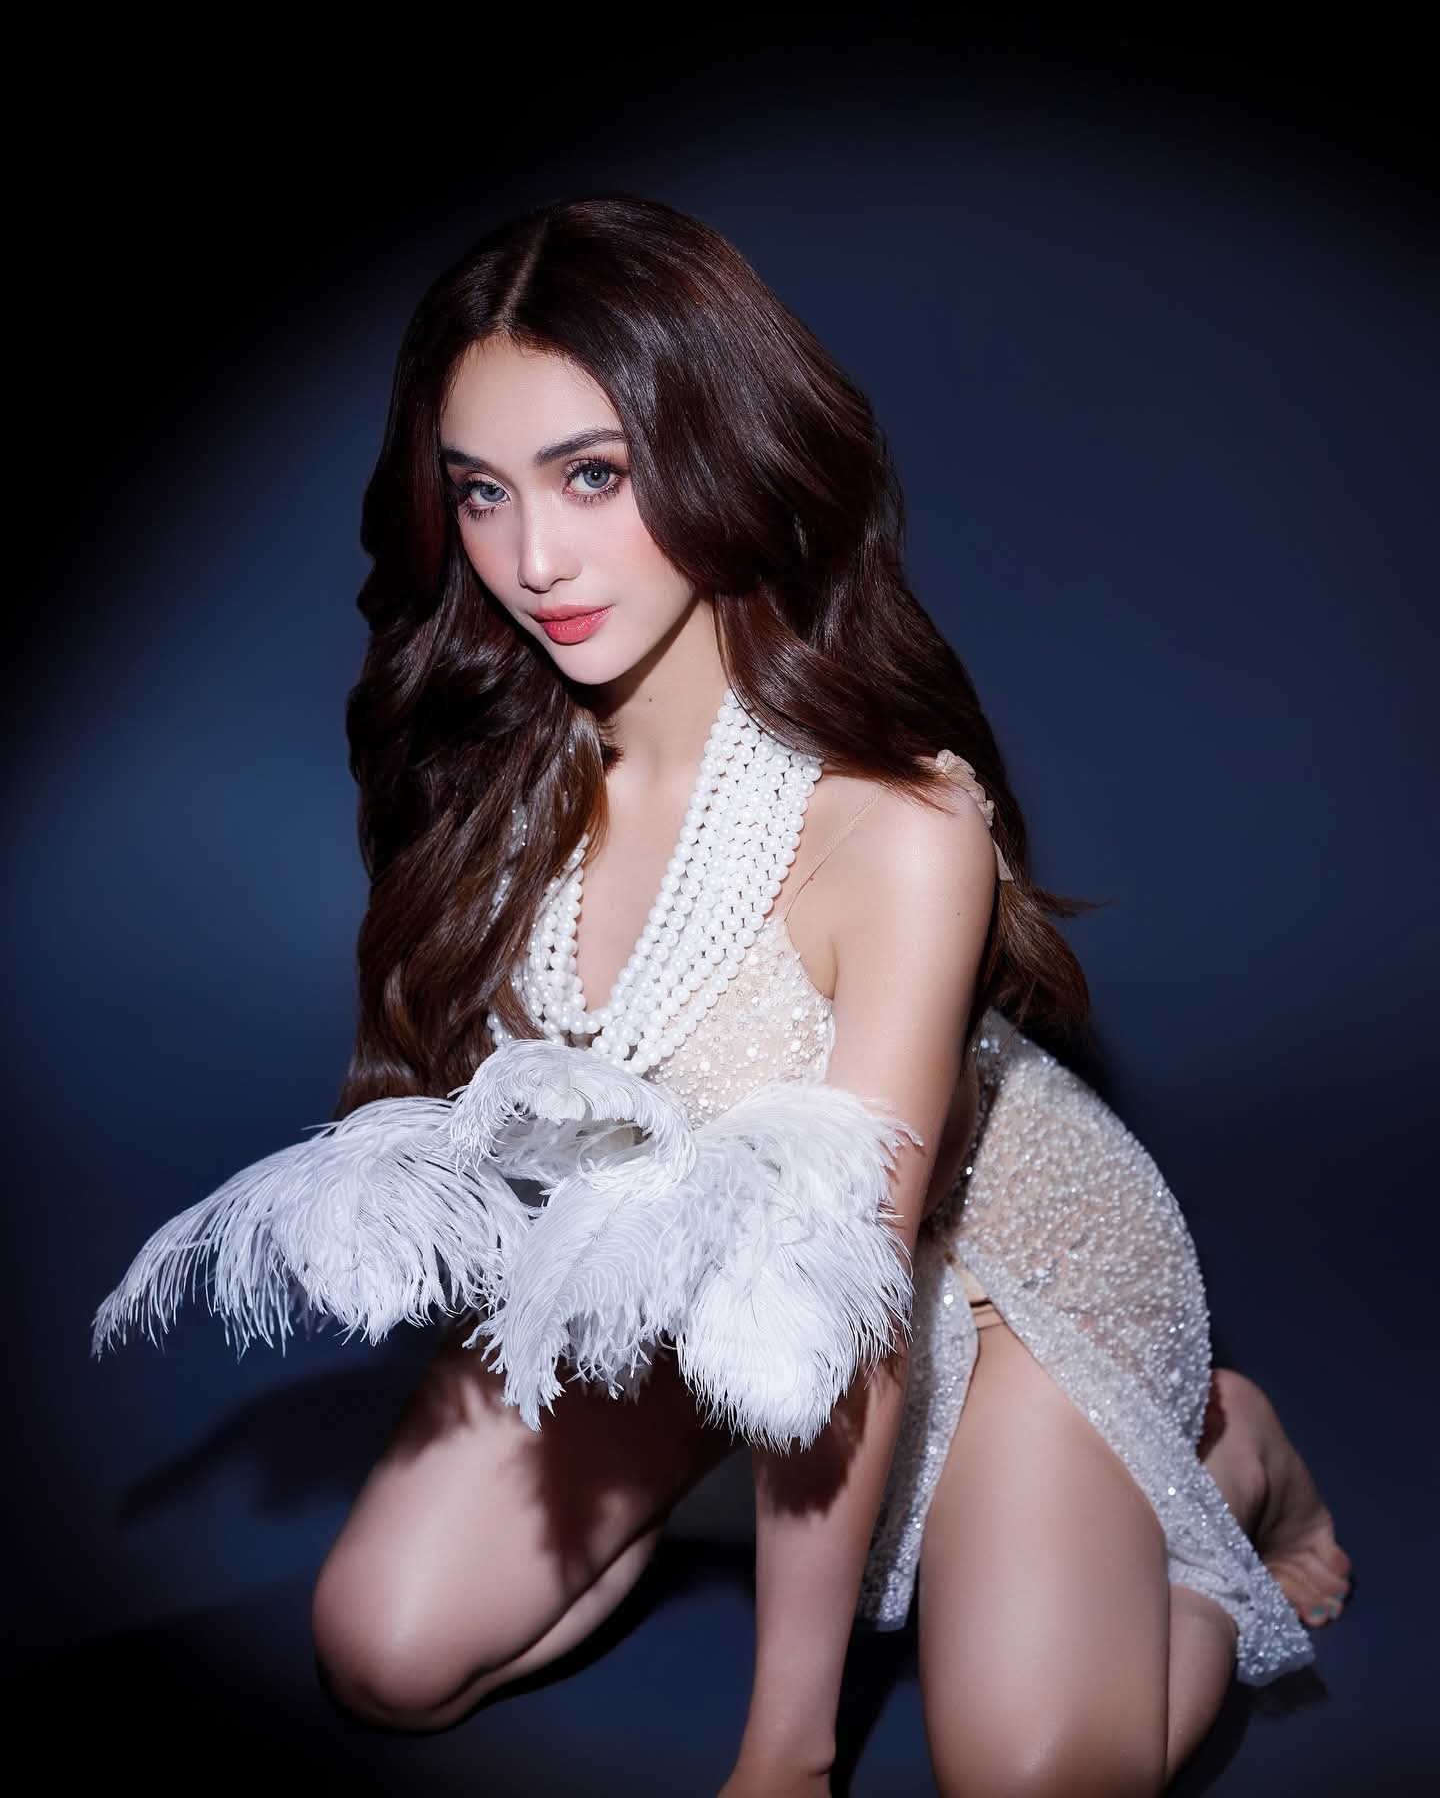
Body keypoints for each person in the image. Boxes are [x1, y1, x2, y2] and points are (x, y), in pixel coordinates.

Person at [92, 193, 1352, 1797]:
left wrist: (787, 1752)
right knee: (383, 1654)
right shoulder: (495, 774)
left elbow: (848, 1316)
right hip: (683, 1269)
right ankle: (746, 1489)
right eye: (481, 491)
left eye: (592, 474)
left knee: (1032, 1782)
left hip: (996, 1286)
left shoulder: (894, 828)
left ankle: (1226, 1458)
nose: (534, 559)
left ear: (721, 453)